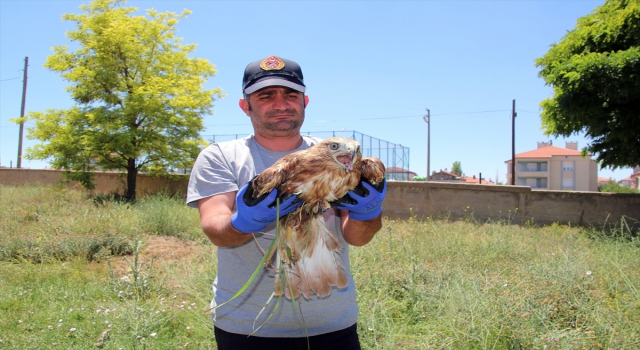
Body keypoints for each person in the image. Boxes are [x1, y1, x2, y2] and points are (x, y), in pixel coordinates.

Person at [186, 55, 386, 350]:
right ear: (245, 106)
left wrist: (368, 213)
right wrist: (244, 221)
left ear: (305, 102)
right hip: (247, 326)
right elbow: (216, 229)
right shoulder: (220, 156)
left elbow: (358, 238)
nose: (281, 103)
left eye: (291, 95)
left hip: (332, 322)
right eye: (266, 96)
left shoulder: (339, 153)